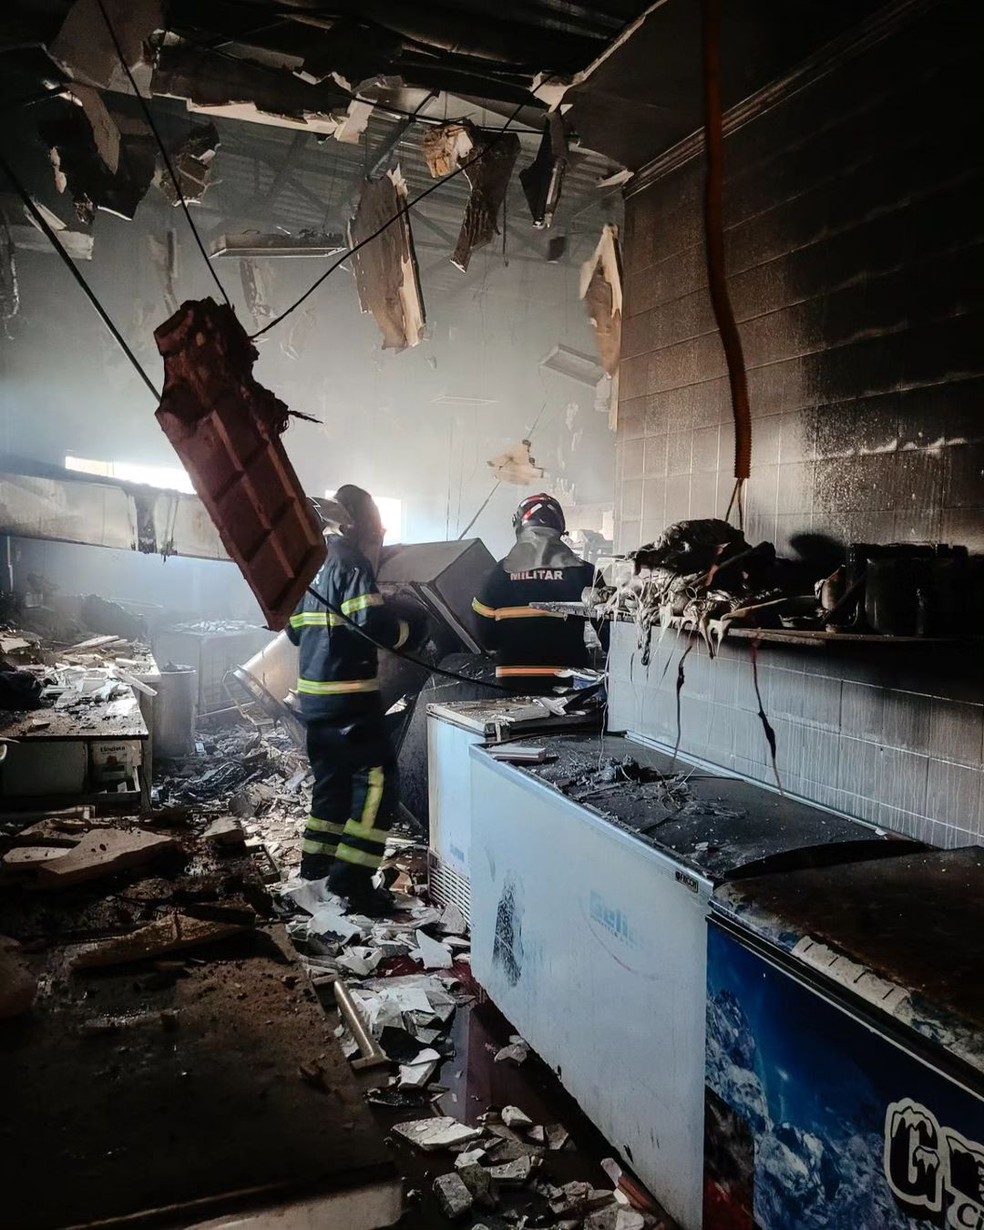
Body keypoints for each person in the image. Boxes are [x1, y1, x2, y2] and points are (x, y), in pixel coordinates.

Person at [286, 484, 420, 913]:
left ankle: (316, 871)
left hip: (315, 700)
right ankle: (351, 882)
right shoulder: (349, 560)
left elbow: (292, 631)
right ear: (358, 523)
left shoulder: (308, 562)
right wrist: (411, 631)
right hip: (350, 698)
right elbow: (373, 626)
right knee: (378, 783)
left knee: (331, 786)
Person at [471, 493, 599, 691]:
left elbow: (485, 637)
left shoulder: (494, 576)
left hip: (512, 683)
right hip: (571, 683)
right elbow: (612, 632)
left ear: (519, 527)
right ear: (560, 528)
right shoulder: (586, 573)